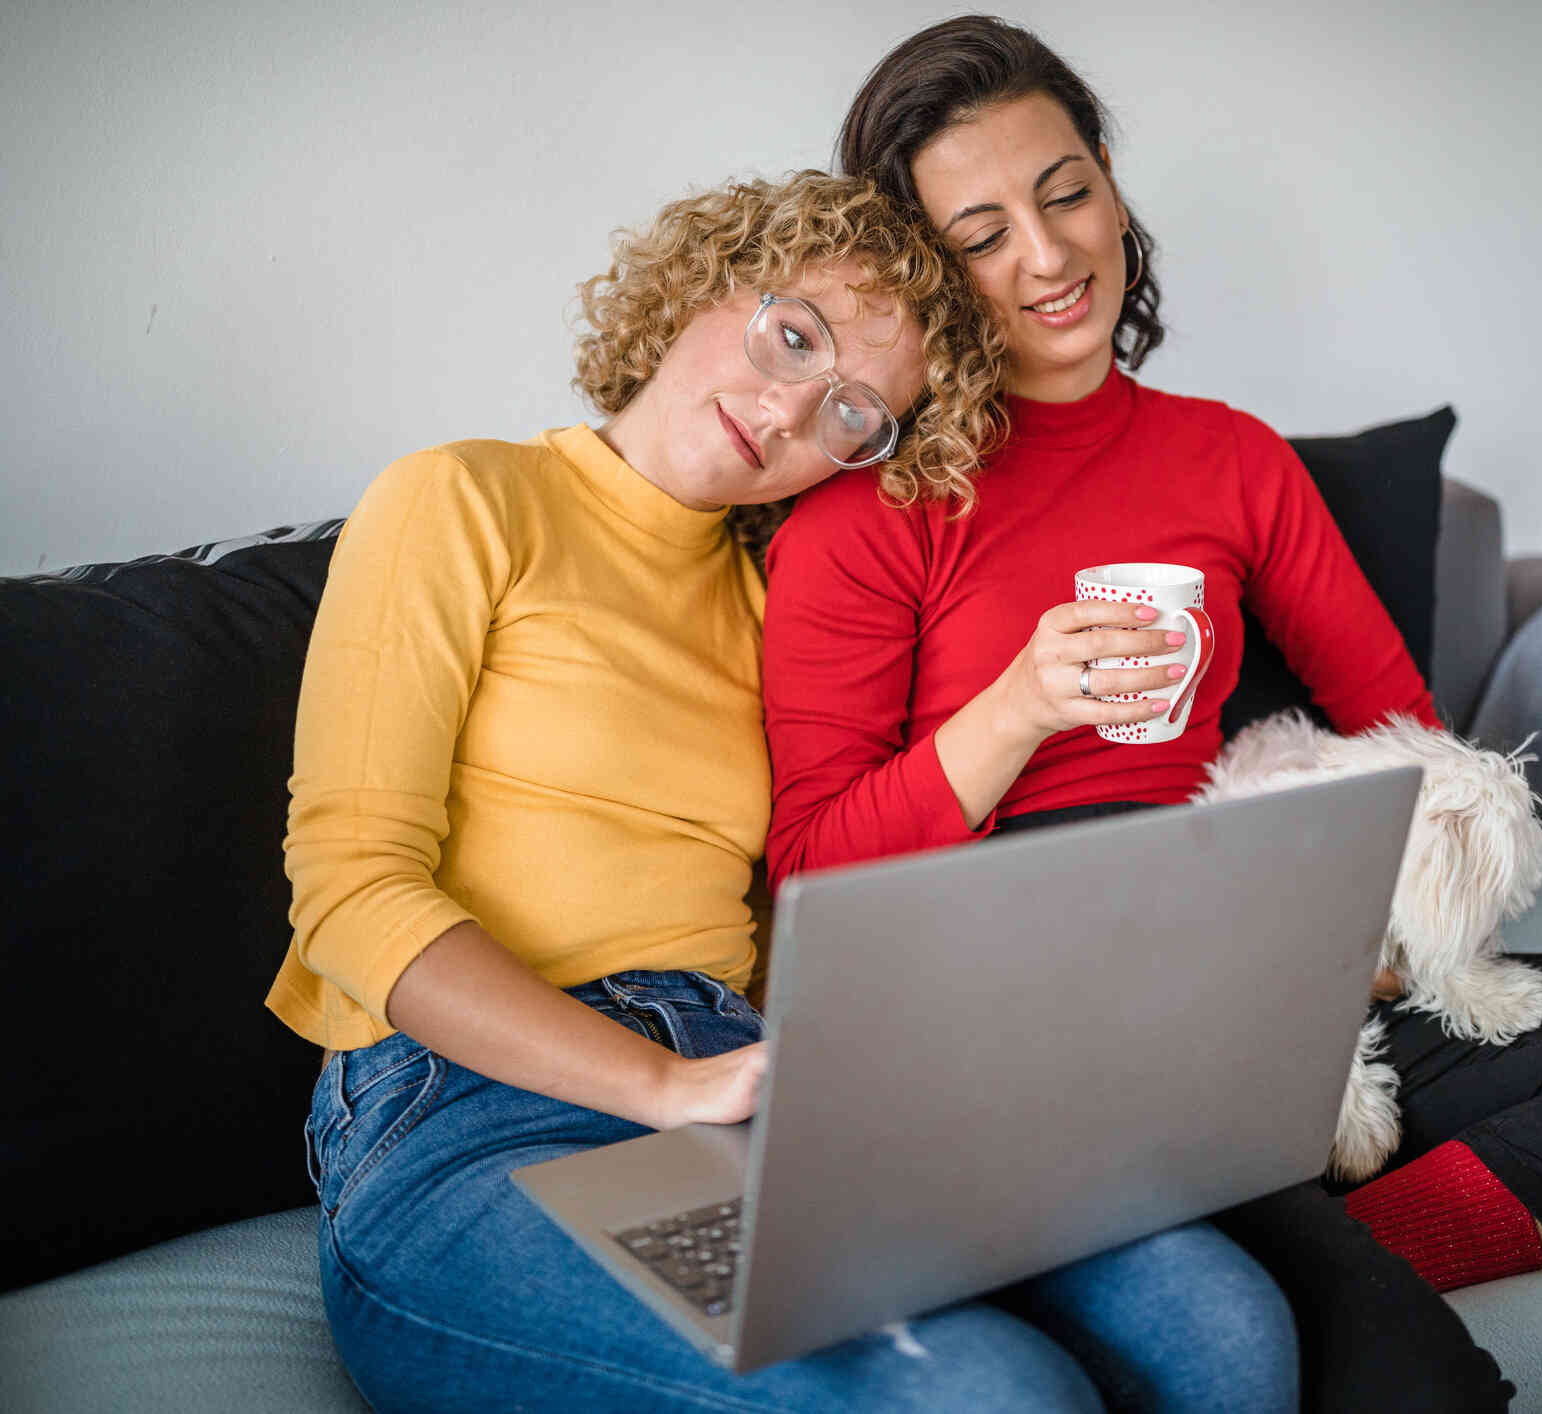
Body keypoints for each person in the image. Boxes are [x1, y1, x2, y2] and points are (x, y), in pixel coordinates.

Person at [760, 18, 1542, 1412]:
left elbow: (1398, 726)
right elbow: (810, 871)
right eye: (982, 233)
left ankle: (1342, 1245)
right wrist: (1016, 708)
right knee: (1409, 1383)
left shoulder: (1230, 458)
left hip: (1263, 973)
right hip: (1038, 1011)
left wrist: (1365, 940)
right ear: (927, 270)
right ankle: (1299, 1269)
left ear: (1108, 181)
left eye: (1064, 193)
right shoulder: (866, 517)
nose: (1047, 258)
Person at [268, 170, 1301, 1414]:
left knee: (1222, 1321)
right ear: (703, 285)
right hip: (475, 1111)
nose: (793, 407)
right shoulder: (467, 499)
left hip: (751, 1078)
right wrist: (661, 1084)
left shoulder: (780, 607)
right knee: (983, 1392)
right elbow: (351, 893)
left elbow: (837, 873)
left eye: (853, 411)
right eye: (793, 336)